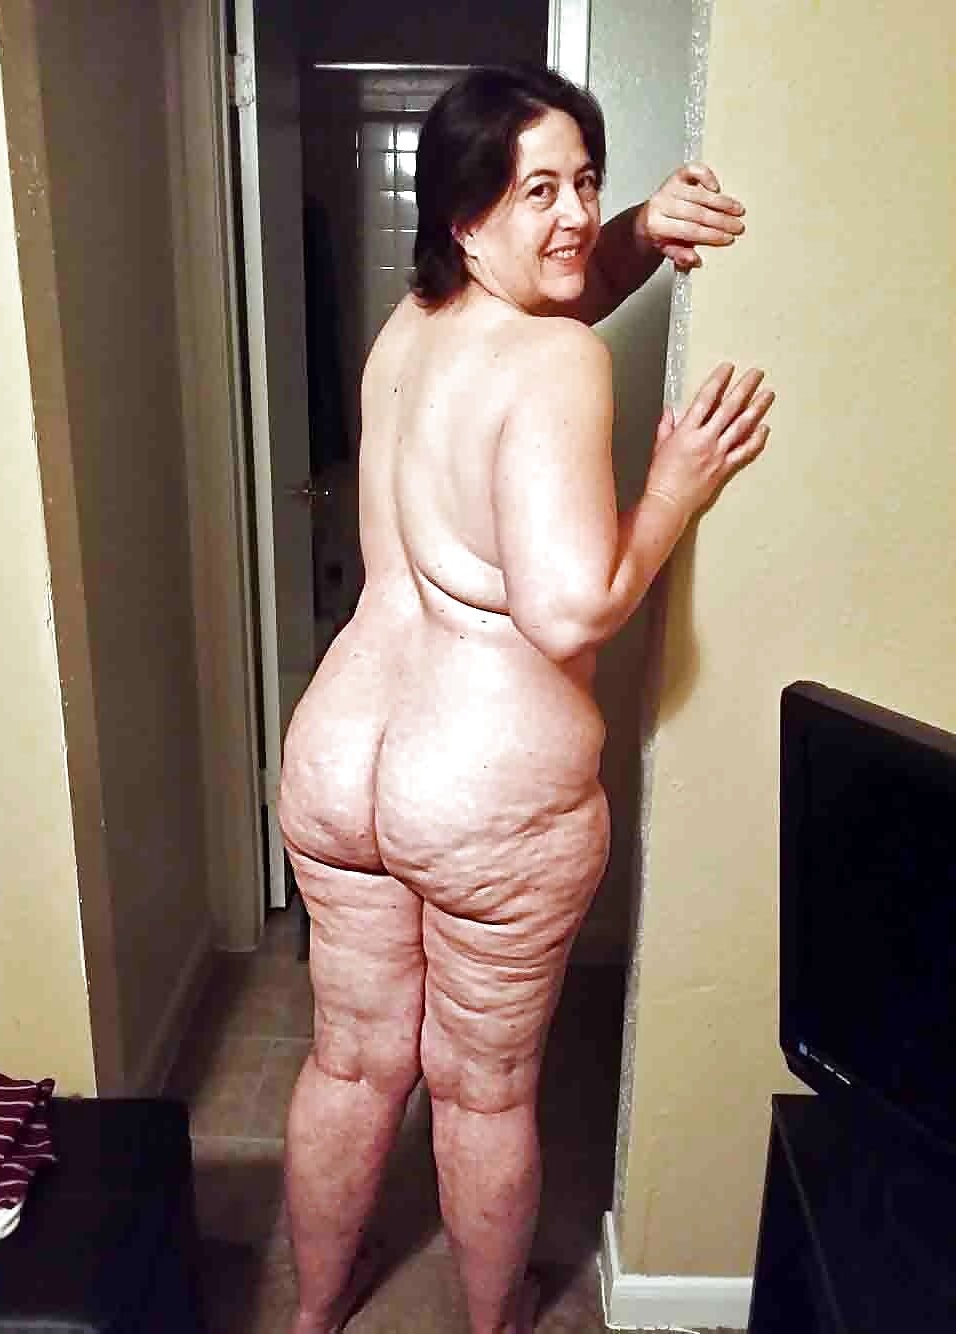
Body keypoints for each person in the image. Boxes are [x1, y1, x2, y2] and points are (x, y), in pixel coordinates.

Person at [278, 65, 774, 1334]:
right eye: (537, 190)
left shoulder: (411, 328)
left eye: (586, 183)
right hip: (480, 785)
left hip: (338, 755)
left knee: (350, 1060)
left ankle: (311, 1314)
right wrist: (674, 491)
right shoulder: (556, 360)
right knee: (483, 1089)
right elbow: (568, 610)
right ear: (466, 214)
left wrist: (639, 231)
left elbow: (552, 288)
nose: (574, 216)